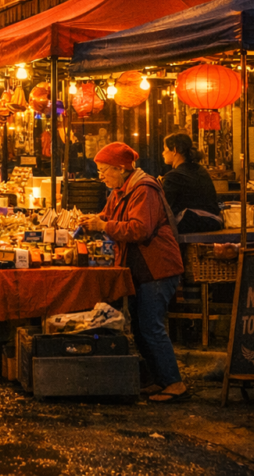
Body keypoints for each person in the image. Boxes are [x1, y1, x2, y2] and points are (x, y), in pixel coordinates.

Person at [79, 142, 187, 403]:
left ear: (120, 168)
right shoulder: (119, 191)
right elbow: (107, 218)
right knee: (139, 327)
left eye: (104, 170)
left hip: (157, 267)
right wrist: (91, 222)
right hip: (138, 268)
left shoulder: (144, 189)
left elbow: (139, 229)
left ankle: (174, 383)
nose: (101, 176)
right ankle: (157, 380)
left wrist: (103, 225)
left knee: (151, 326)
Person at [160, 132, 223, 233]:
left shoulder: (173, 176)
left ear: (174, 150)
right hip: (215, 221)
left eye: (165, 149)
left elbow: (166, 209)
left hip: (195, 223)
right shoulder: (200, 169)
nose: (163, 153)